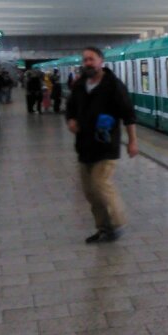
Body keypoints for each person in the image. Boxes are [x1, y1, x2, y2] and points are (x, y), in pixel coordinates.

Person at [65, 46, 138, 243]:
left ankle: (118, 222)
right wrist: (71, 120)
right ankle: (103, 228)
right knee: (90, 192)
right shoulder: (80, 85)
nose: (88, 63)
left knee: (101, 184)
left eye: (92, 59)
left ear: (101, 61)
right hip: (84, 146)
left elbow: (128, 115)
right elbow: (70, 108)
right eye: (85, 60)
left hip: (106, 145)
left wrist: (132, 141)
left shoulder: (113, 85)